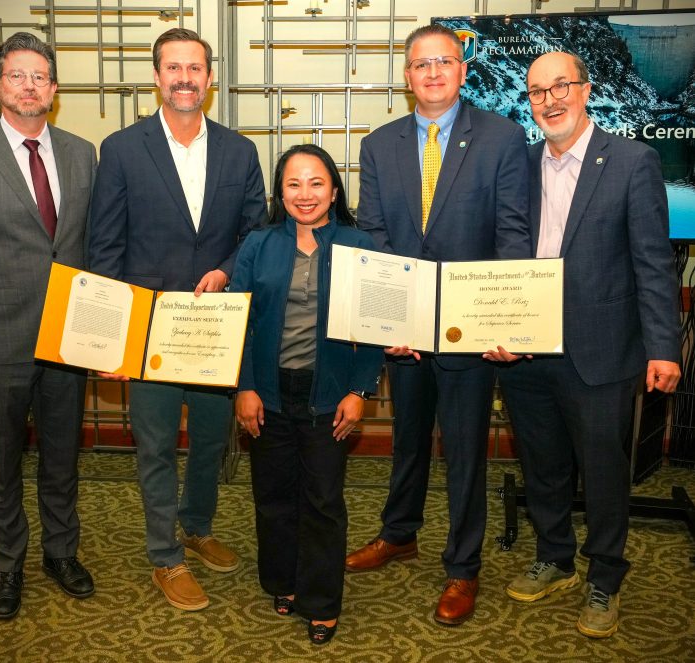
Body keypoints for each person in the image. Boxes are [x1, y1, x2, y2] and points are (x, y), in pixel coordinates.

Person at [490, 51, 681, 639]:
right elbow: (502, 252)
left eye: (560, 86)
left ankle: (606, 575)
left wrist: (664, 347)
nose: (549, 100)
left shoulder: (632, 162)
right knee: (542, 464)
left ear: (586, 90)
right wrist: (497, 326)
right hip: (526, 349)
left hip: (602, 352)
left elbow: (653, 261)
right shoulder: (518, 164)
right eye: (537, 91)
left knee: (601, 470)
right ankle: (555, 555)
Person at [346, 23, 530, 625]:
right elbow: (373, 237)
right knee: (408, 438)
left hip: (470, 329)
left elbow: (511, 236)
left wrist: (503, 318)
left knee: (465, 448)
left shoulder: (502, 139)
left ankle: (463, 567)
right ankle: (399, 533)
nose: (432, 73)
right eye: (420, 64)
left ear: (462, 70)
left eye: (444, 62)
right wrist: (384, 317)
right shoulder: (380, 144)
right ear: (406, 75)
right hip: (403, 327)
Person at [88, 27, 266, 611]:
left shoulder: (240, 151)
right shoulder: (119, 149)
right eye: (173, 67)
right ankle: (165, 555)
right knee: (157, 445)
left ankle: (198, 523)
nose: (185, 78)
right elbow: (105, 248)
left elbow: (255, 236)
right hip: (148, 330)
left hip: (214, 327)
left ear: (210, 78)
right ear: (158, 76)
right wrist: (114, 339)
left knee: (213, 439)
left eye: (195, 67)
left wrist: (224, 268)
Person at [0, 32, 96, 619]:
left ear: (54, 90)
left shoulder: (83, 154)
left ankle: (61, 552)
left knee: (62, 458)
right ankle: (8, 564)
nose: (29, 86)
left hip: (68, 337)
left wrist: (103, 333)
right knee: (0, 462)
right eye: (17, 75)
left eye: (40, 77)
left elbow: (89, 251)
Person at [230, 144, 383, 645]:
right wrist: (246, 388)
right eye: (293, 184)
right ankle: (283, 580)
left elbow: (375, 327)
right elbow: (242, 325)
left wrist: (361, 390)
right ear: (280, 192)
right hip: (269, 393)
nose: (305, 194)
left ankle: (321, 600)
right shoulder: (257, 245)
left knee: (322, 500)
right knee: (273, 496)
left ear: (335, 190)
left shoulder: (360, 245)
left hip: (330, 394)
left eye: (316, 183)